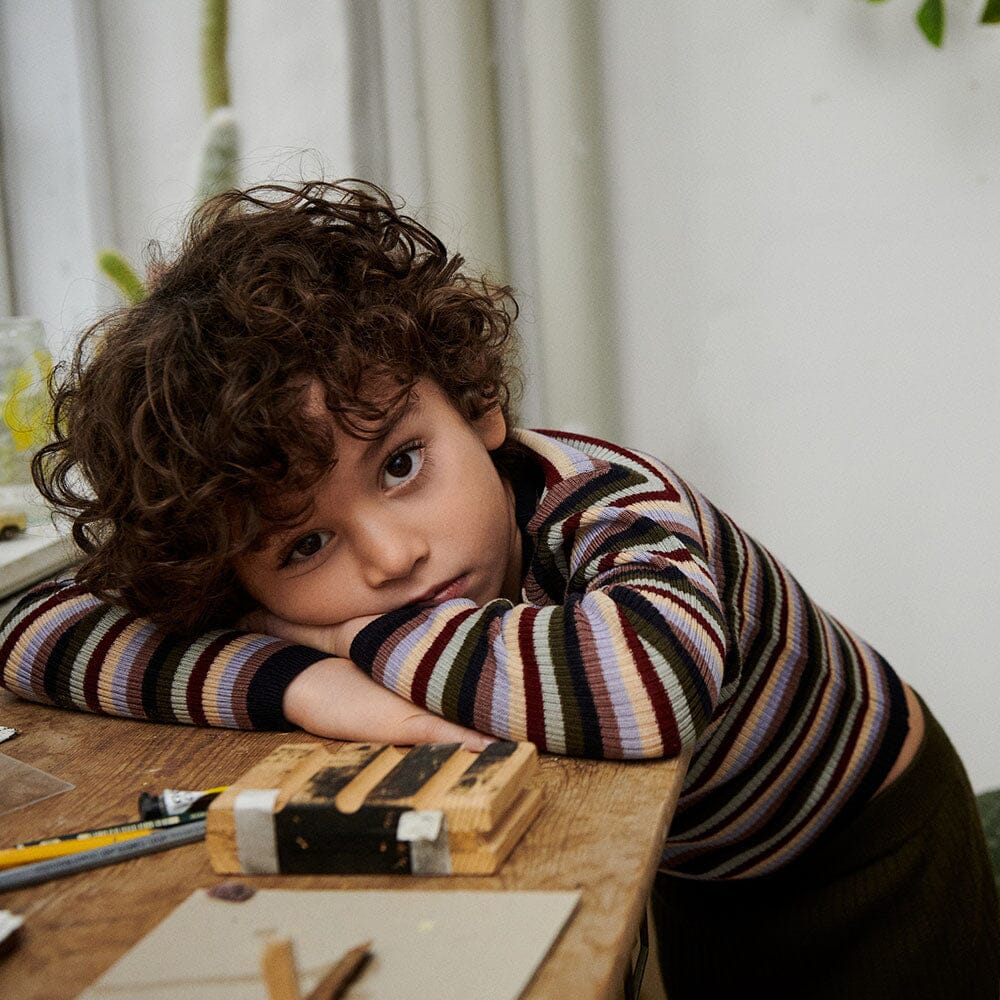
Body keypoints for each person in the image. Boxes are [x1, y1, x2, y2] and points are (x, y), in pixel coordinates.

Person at [0, 179, 996, 998]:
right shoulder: (342, 579)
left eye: (400, 465)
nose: (390, 558)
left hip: (868, 844)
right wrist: (300, 684)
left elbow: (646, 687)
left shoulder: (607, 502)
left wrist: (347, 640)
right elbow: (28, 629)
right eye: (304, 543)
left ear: (477, 402)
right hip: (698, 869)